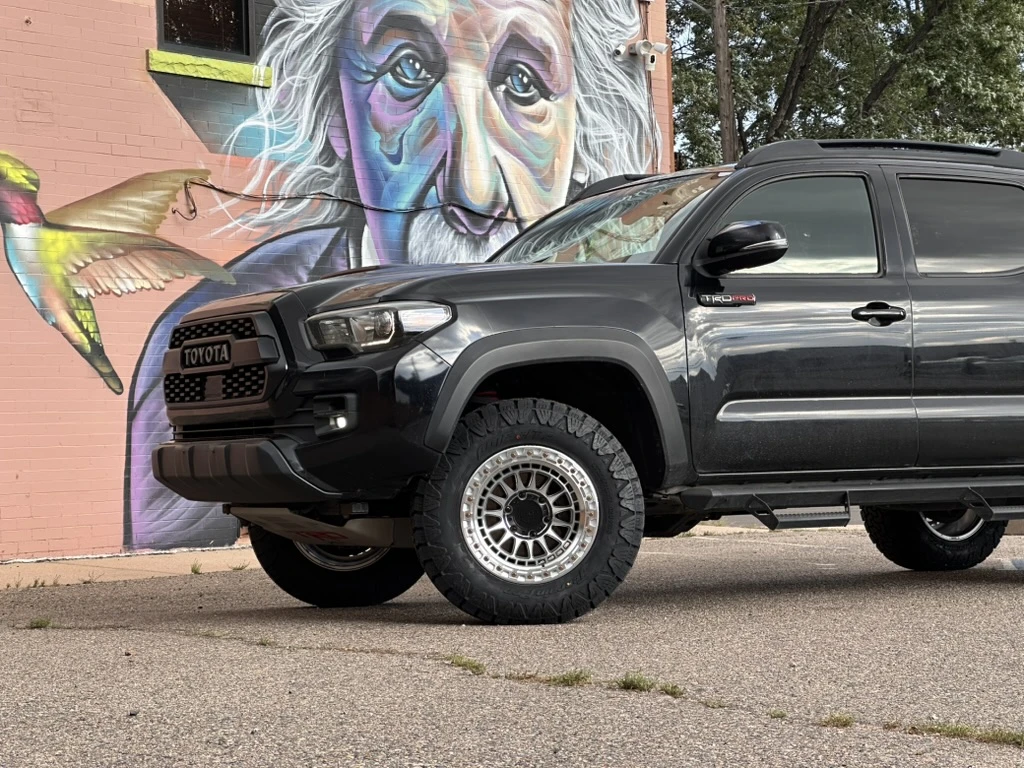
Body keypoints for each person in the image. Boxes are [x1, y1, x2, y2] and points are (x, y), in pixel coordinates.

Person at [123, 0, 661, 549]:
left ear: (580, 137)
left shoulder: (613, 295)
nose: (473, 190)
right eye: (407, 70)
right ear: (338, 118)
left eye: (522, 83)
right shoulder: (212, 319)